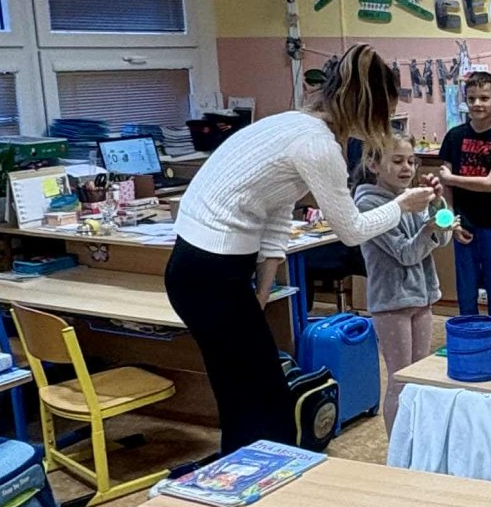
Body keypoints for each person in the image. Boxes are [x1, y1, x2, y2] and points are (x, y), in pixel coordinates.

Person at [165, 45, 431, 453]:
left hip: (200, 269)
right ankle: (256, 476)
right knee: (264, 401)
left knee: (242, 392)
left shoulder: (291, 124)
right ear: (366, 109)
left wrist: (262, 286)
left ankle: (242, 470)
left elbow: (277, 204)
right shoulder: (318, 146)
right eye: (385, 115)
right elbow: (352, 231)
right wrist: (402, 205)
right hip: (210, 270)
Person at [354, 134, 455, 434]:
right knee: (400, 381)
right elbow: (406, 253)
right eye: (397, 161)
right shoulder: (369, 204)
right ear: (374, 164)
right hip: (392, 303)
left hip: (421, 298)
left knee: (418, 380)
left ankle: (416, 445)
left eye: (411, 161)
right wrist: (428, 229)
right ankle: (399, 451)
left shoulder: (413, 197)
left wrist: (437, 204)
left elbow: (444, 238)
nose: (407, 168)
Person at [438, 70, 491, 320]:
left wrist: (452, 178)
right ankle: (468, 335)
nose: (477, 104)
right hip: (462, 223)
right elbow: (445, 188)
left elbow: (490, 183)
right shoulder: (454, 136)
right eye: (471, 99)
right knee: (466, 291)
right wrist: (451, 222)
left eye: (484, 98)